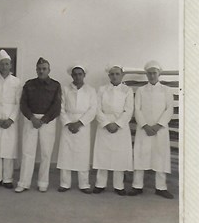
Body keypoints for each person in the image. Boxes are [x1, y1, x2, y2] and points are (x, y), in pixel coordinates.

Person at [15, 57, 61, 193]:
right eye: (39, 69)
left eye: (44, 69)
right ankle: (23, 182)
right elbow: (23, 103)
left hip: (48, 121)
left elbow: (56, 106)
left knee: (46, 153)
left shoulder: (55, 85)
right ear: (36, 69)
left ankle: (43, 182)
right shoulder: (29, 84)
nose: (41, 71)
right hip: (31, 120)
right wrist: (32, 118)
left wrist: (44, 119)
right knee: (27, 152)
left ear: (49, 70)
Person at [129, 61, 174, 199]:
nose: (152, 75)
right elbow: (137, 109)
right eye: (149, 73)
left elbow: (169, 109)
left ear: (159, 74)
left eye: (154, 73)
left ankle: (161, 187)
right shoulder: (141, 91)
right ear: (146, 74)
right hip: (144, 129)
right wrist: (145, 126)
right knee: (141, 155)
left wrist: (158, 125)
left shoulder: (166, 90)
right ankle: (137, 186)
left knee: (160, 155)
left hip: (160, 130)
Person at [92, 65, 133, 196]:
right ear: (109, 76)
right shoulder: (102, 90)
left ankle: (118, 185)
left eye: (117, 74)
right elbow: (97, 108)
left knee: (119, 156)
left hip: (120, 126)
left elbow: (129, 110)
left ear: (122, 76)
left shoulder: (127, 90)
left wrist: (117, 124)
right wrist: (106, 123)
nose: (114, 76)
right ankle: (100, 184)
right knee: (102, 154)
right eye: (112, 74)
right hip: (105, 125)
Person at [57, 65, 96, 194]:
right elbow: (61, 108)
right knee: (65, 153)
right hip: (68, 123)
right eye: (75, 74)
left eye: (80, 74)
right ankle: (65, 183)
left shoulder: (91, 90)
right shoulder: (65, 89)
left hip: (83, 125)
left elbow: (92, 109)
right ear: (71, 76)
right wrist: (68, 123)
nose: (78, 76)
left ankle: (84, 183)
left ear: (84, 75)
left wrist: (79, 123)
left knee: (83, 154)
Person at [0, 50, 22, 189]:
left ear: (10, 65)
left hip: (10, 120)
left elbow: (18, 103)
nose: (4, 66)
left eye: (7, 64)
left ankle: (8, 179)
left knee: (9, 150)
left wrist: (11, 119)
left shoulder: (16, 81)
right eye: (2, 64)